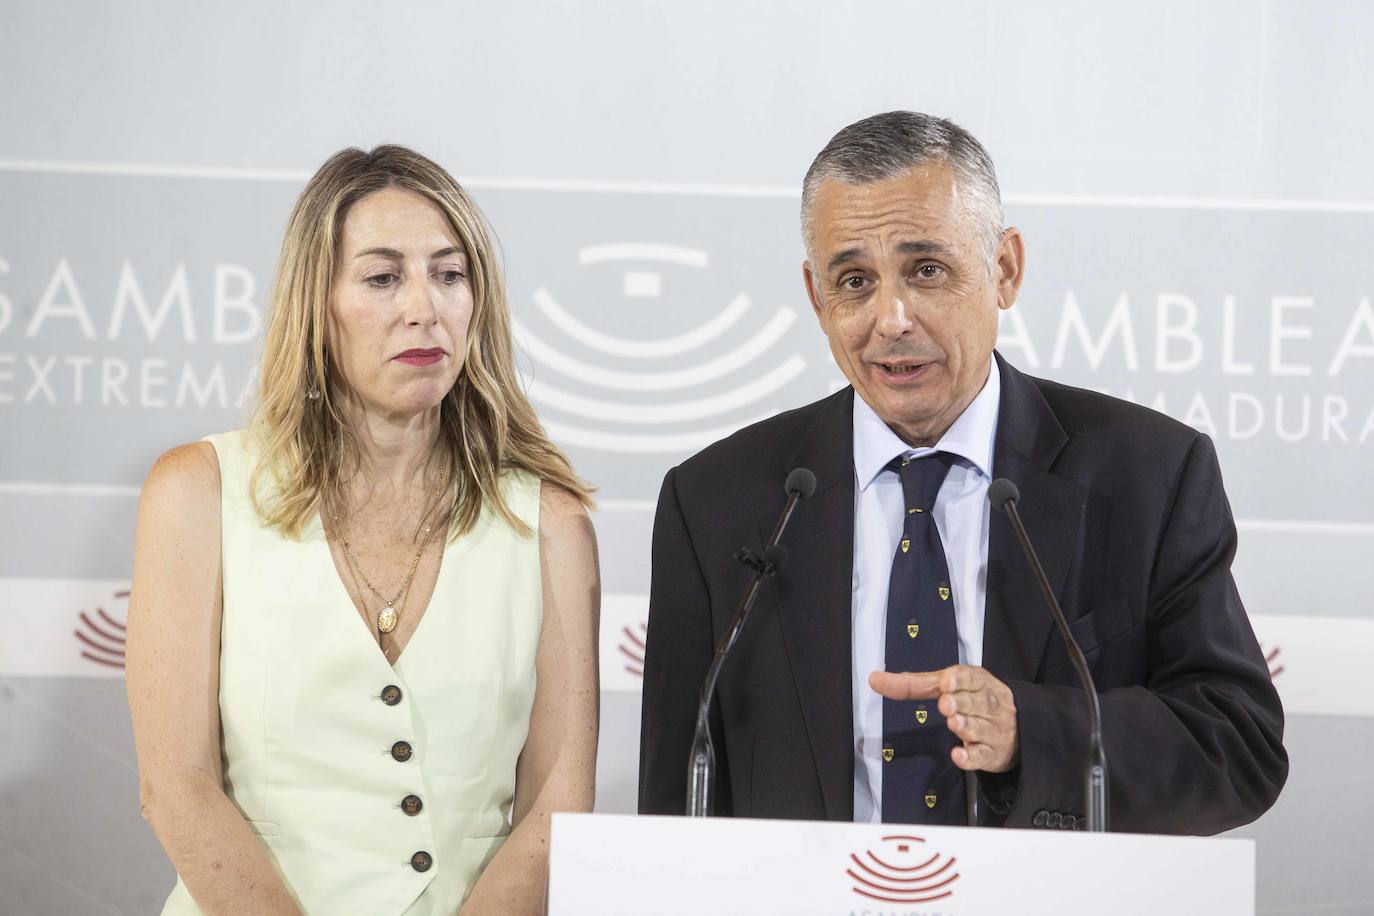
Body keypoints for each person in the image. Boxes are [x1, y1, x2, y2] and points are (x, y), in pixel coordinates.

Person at [638, 111, 1286, 833]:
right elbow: (675, 806)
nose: (891, 319)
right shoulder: (719, 502)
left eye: (926, 270)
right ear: (816, 297)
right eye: (854, 280)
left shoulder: (1148, 474)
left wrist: (1032, 733)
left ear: (1004, 269)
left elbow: (1239, 744)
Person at [126, 145, 600, 915]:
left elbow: (558, 803)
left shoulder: (550, 523)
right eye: (383, 278)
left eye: (449, 274)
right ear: (316, 302)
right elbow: (175, 786)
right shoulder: (194, 492)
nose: (425, 307)